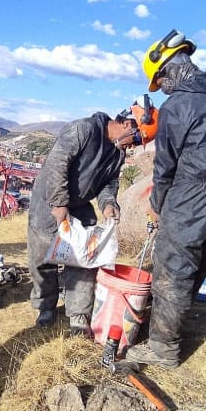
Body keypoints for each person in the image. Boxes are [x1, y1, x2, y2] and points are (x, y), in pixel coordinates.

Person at [123, 29, 206, 368]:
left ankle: (163, 349)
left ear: (169, 69)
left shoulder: (178, 106)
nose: (162, 87)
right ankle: (173, 326)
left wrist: (157, 206)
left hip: (190, 196)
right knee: (199, 261)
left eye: (160, 80)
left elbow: (165, 167)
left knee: (172, 269)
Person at [27, 103, 152, 334]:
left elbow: (109, 183)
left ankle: (78, 315)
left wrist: (108, 203)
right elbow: (57, 164)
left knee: (86, 258)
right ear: (127, 124)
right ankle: (45, 306)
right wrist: (59, 202)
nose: (132, 146)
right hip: (48, 201)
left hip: (80, 206)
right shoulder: (83, 129)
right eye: (135, 139)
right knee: (43, 257)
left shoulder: (117, 153)